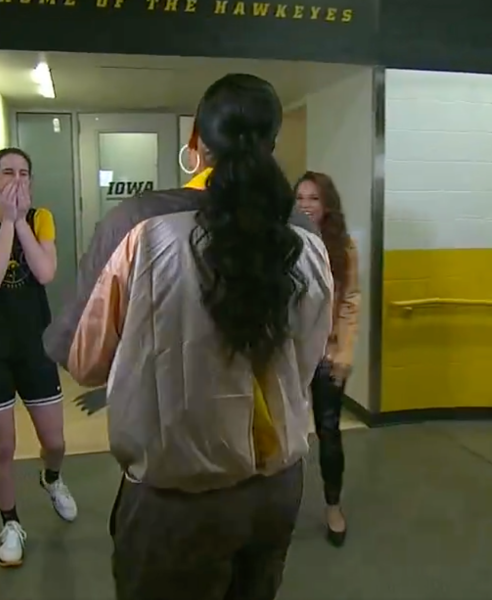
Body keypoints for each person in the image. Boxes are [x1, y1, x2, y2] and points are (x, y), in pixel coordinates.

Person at [45, 74, 334, 600]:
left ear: (196, 141)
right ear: (271, 145)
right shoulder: (306, 236)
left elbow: (83, 361)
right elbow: (309, 355)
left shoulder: (141, 224)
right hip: (278, 487)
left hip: (177, 499)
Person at [0, 147, 78, 568]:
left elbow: (45, 272)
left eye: (24, 173)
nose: (16, 179)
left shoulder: (41, 217)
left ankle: (52, 477)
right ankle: (10, 523)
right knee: (4, 446)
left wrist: (21, 221)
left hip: (33, 345)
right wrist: (6, 220)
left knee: (55, 441)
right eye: (7, 172)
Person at [294, 171, 360, 546]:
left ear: (327, 204)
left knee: (329, 432)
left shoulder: (343, 247)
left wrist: (344, 351)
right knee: (284, 438)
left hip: (326, 355)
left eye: (313, 198)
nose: (305, 204)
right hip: (289, 358)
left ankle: (333, 505)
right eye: (300, 197)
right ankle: (277, 508)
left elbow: (351, 300)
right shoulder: (284, 242)